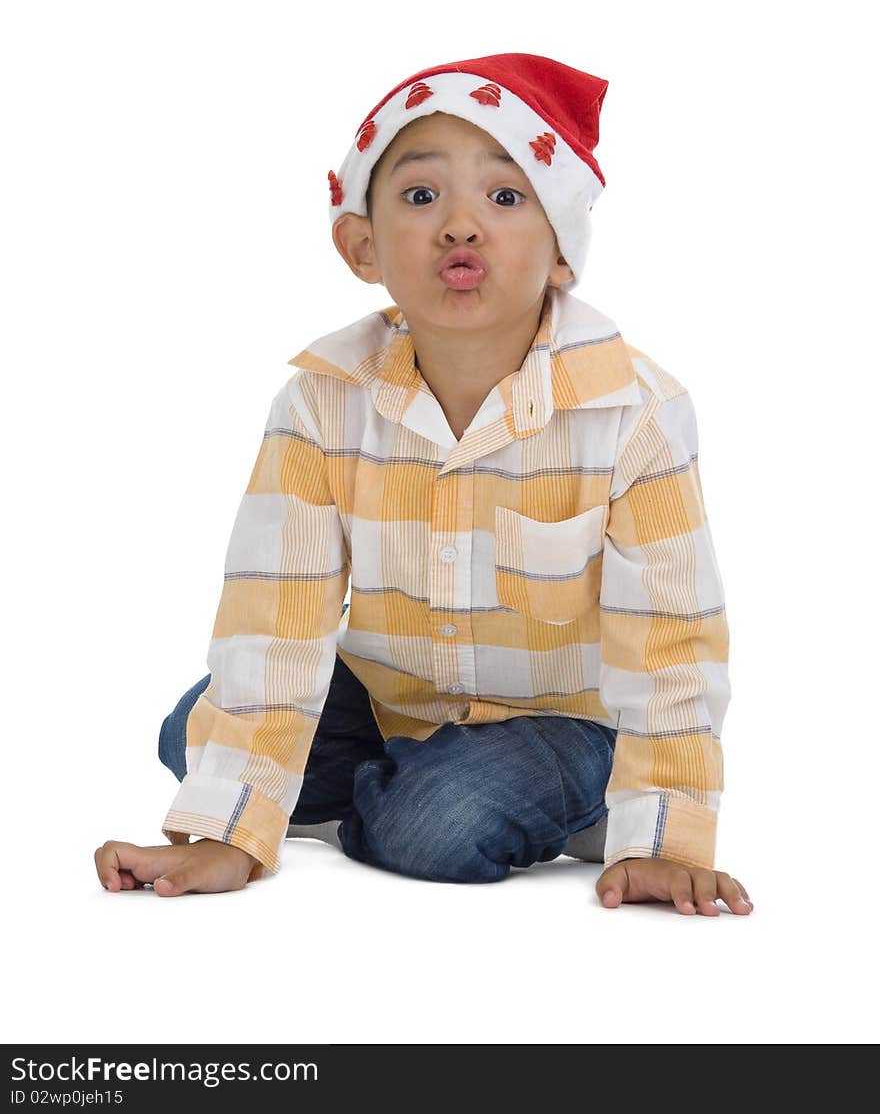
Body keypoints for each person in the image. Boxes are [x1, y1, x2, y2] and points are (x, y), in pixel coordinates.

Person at [94, 52, 753, 917]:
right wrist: (228, 832)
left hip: (573, 720)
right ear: (361, 247)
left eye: (506, 198)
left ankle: (486, 797)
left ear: (561, 251)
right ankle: (383, 783)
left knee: (438, 823)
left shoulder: (634, 410)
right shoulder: (322, 402)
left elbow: (670, 641)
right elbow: (276, 612)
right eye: (419, 197)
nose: (461, 226)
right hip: (388, 696)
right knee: (191, 727)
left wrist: (662, 837)